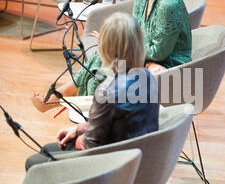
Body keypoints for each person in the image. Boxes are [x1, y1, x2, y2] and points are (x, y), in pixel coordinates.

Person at [31, 0, 192, 112]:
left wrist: (117, 45)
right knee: (101, 57)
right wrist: (116, 42)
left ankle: (78, 109)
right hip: (144, 59)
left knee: (108, 62)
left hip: (166, 67)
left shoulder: (168, 4)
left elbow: (159, 52)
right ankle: (69, 104)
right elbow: (135, 34)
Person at [26, 12, 159, 169]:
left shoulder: (108, 91)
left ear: (105, 47)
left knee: (34, 163)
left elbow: (90, 146)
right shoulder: (147, 77)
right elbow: (116, 123)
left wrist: (78, 138)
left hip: (110, 168)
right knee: (46, 150)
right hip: (139, 159)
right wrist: (79, 128)